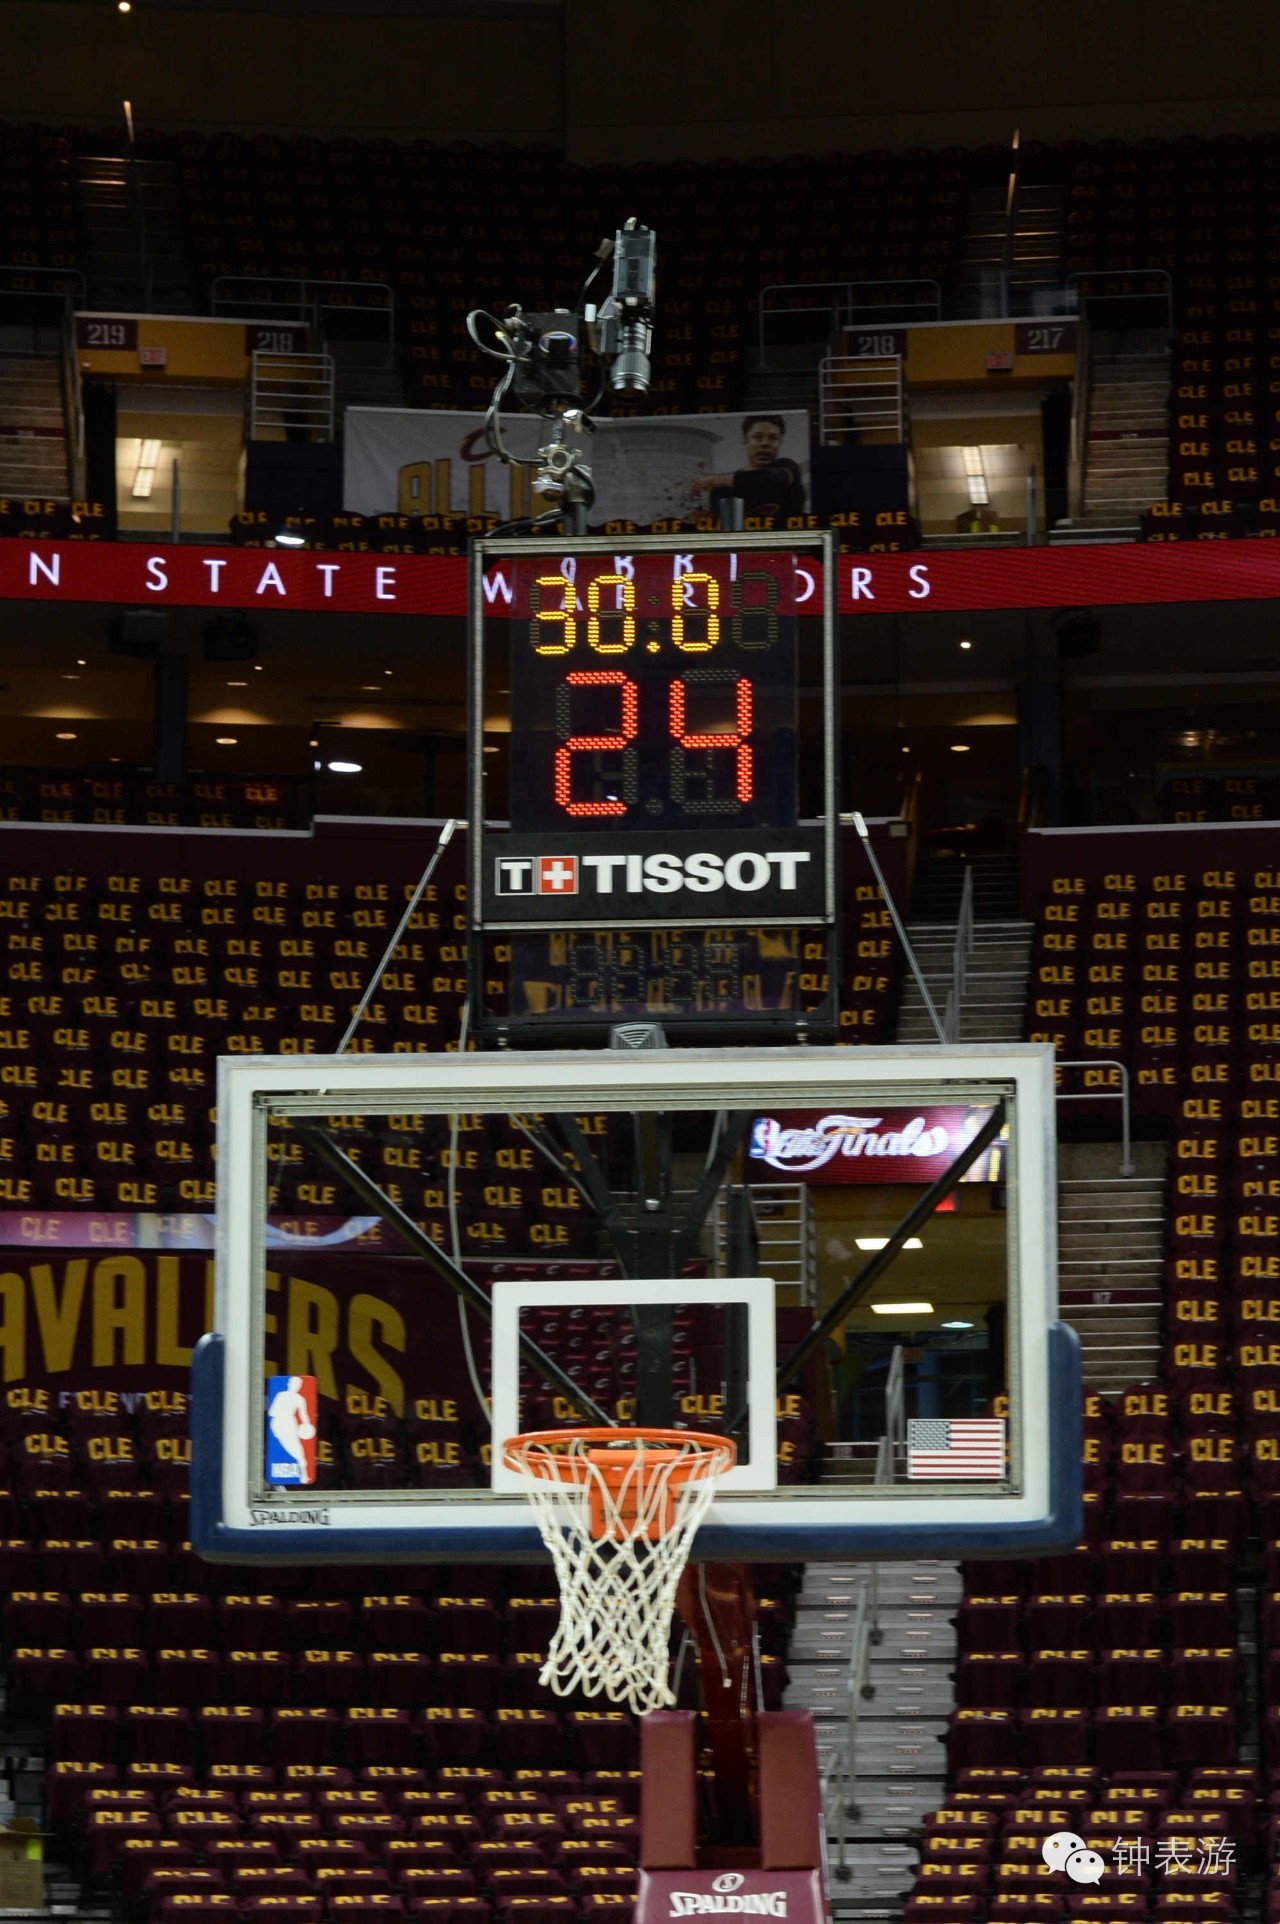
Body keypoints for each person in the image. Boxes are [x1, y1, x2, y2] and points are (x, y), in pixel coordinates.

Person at [691, 415, 806, 520]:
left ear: (780, 441)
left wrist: (718, 480)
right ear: (745, 439)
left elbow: (773, 478)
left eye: (772, 438)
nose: (765, 443)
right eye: (757, 437)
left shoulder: (788, 467)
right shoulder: (722, 489)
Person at [267, 1374, 316, 1482]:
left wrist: (307, 1426)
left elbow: (304, 1415)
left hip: (290, 1423)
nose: (296, 1386)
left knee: (298, 1449)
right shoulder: (281, 1395)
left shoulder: (300, 1399)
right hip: (280, 1423)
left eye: (298, 1384)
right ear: (289, 1384)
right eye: (294, 1383)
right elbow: (272, 1412)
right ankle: (301, 1471)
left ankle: (304, 1473)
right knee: (291, 1447)